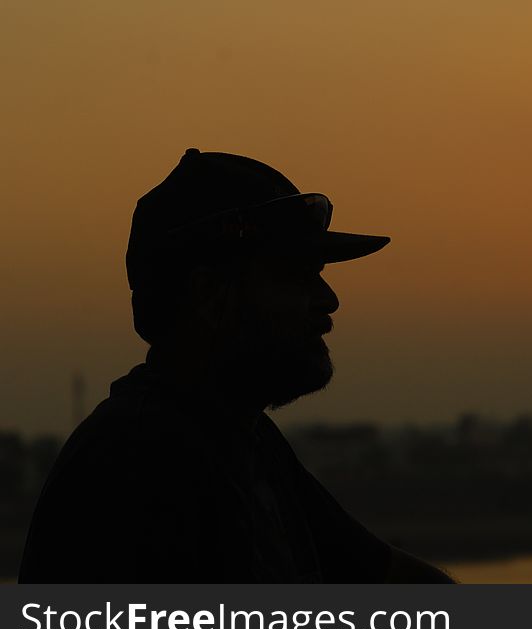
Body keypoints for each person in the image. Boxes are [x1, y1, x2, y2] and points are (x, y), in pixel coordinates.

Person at [19, 148, 454, 583]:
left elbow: (385, 575)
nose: (328, 300)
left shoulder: (245, 440)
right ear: (209, 294)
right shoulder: (136, 464)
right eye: (295, 275)